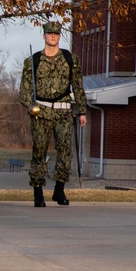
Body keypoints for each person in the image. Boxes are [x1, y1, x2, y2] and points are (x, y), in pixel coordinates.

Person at [19, 21, 88, 207]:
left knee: (65, 151)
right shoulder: (32, 61)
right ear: (44, 35)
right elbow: (24, 90)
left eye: (56, 34)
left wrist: (82, 110)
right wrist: (30, 105)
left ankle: (59, 189)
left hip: (63, 110)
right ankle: (38, 192)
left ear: (59, 36)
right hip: (41, 112)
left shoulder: (70, 59)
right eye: (49, 33)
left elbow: (78, 86)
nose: (53, 36)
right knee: (39, 152)